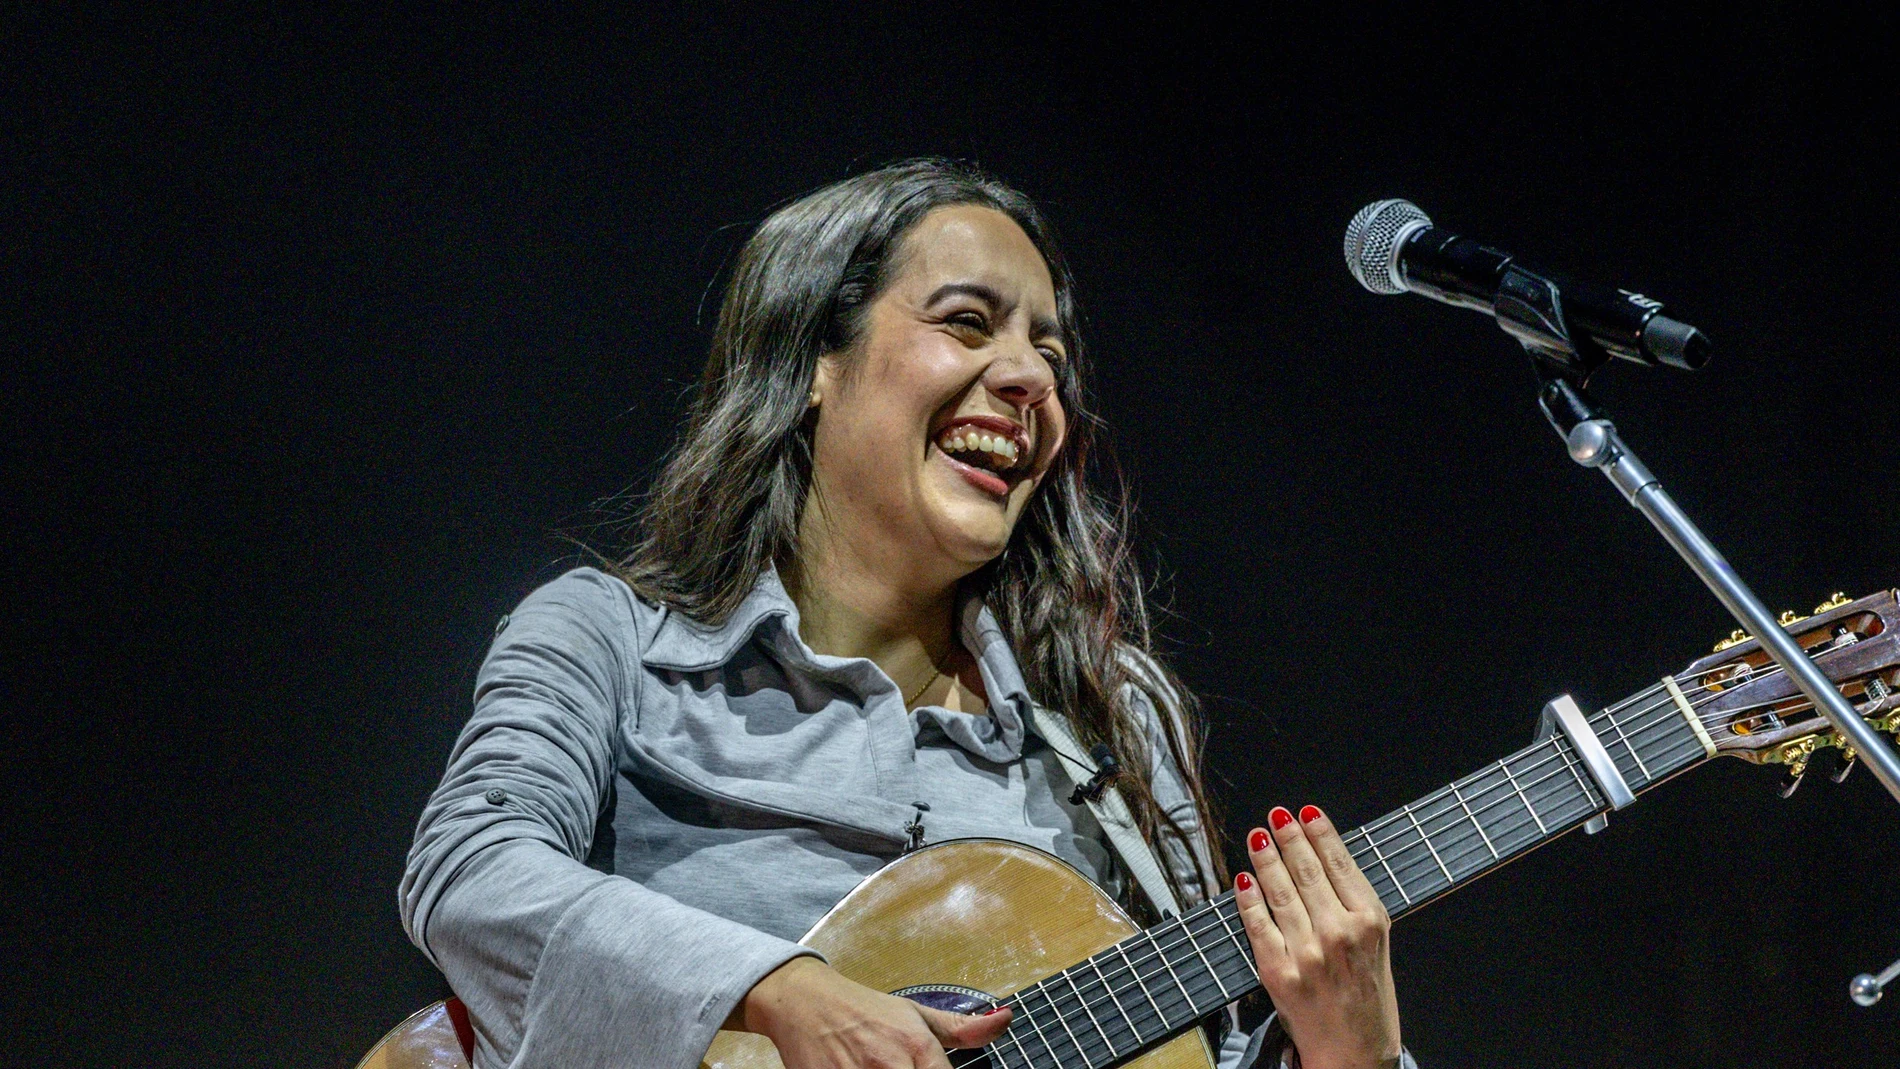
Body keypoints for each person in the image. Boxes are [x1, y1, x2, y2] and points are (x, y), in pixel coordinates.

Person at [401, 159, 1410, 1069]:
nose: (1030, 379)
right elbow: (472, 872)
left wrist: (1351, 1053)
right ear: (810, 365)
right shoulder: (610, 639)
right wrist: (773, 990)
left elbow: (1204, 1057)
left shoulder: (1114, 719)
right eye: (968, 323)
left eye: (1050, 354)